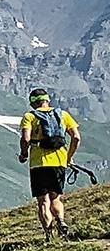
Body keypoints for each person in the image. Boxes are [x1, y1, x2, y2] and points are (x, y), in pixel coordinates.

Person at [19, 87, 81, 238]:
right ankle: (60, 220)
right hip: (59, 161)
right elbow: (76, 137)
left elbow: (26, 138)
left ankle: (48, 234)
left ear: (33, 103)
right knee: (56, 197)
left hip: (38, 164)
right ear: (48, 100)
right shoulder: (63, 115)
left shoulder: (30, 116)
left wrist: (24, 154)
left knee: (43, 201)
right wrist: (69, 156)